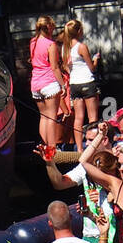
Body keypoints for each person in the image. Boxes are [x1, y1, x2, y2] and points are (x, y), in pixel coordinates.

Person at [62, 20, 99, 149]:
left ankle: (79, 148)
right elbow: (92, 68)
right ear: (79, 32)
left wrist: (72, 72)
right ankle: (94, 146)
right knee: (92, 117)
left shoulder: (65, 48)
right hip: (87, 81)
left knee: (78, 117)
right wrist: (96, 60)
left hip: (74, 84)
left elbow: (65, 66)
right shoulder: (81, 46)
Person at [31, 15, 65, 149]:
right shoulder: (51, 45)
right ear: (49, 27)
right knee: (52, 117)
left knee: (43, 117)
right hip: (49, 82)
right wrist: (63, 85)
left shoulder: (33, 42)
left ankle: (45, 145)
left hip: (35, 83)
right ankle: (52, 147)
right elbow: (55, 67)